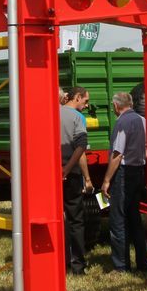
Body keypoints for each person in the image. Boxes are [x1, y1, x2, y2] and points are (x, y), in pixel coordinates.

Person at [102, 91, 147, 274]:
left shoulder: (122, 123)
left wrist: (106, 180)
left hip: (123, 173)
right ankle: (142, 263)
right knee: (134, 218)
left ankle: (121, 265)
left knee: (118, 220)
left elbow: (117, 154)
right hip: (138, 171)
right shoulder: (142, 121)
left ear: (116, 106)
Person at [59, 87, 94, 276]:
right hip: (70, 174)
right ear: (77, 97)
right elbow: (80, 147)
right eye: (85, 101)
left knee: (56, 220)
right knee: (76, 221)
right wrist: (83, 176)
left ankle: (59, 260)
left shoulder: (52, 111)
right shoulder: (77, 118)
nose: (86, 105)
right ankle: (78, 266)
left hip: (50, 174)